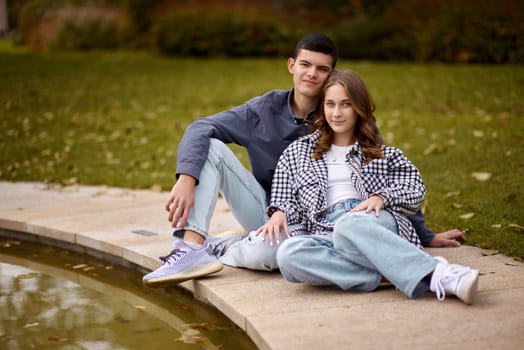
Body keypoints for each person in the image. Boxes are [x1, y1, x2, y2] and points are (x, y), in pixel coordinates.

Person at [142, 33, 464, 288]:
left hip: (317, 225)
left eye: (322, 69)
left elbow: (380, 175)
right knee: (212, 149)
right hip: (267, 211)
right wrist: (187, 177)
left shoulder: (342, 115)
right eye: (306, 64)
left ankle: (230, 247)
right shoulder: (262, 111)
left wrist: (424, 234)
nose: (312, 73)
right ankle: (191, 249)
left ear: (331, 75)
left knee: (276, 256)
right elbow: (201, 127)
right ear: (291, 65)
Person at [258, 70, 479, 303]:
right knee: (288, 254)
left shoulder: (383, 154)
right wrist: (279, 211)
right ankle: (404, 272)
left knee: (348, 224)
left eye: (345, 105)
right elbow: (283, 199)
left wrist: (382, 197)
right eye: (330, 104)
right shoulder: (297, 153)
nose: (336, 113)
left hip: (373, 221)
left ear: (359, 108)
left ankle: (443, 276)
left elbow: (415, 187)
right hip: (327, 233)